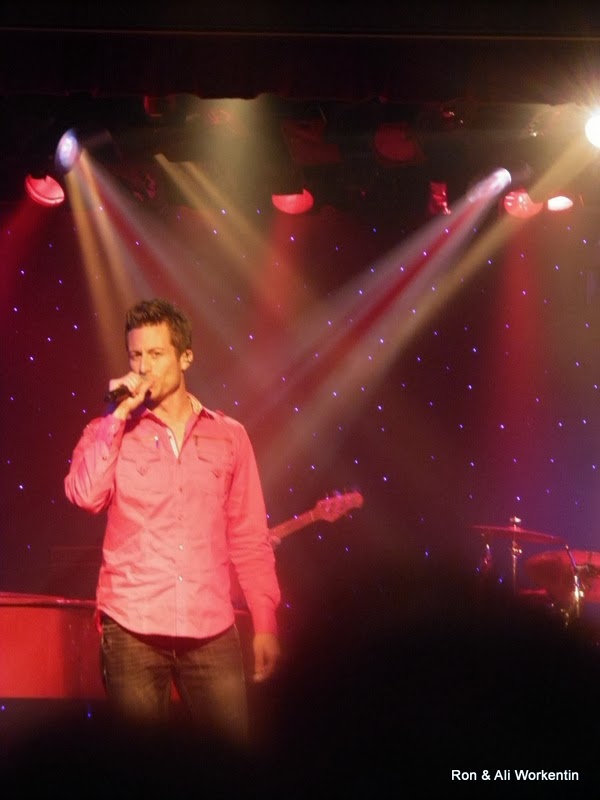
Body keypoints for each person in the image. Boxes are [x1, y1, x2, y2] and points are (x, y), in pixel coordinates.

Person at [64, 298, 281, 745]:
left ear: (185, 358)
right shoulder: (108, 431)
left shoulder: (229, 436)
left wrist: (264, 620)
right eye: (135, 355)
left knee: (229, 764)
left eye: (156, 354)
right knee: (142, 769)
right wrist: (117, 416)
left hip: (210, 627)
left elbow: (249, 535)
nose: (143, 367)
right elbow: (85, 496)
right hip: (132, 626)